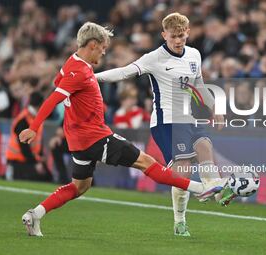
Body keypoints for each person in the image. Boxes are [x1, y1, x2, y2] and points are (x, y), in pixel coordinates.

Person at [20, 22, 226, 237]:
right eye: (102, 47)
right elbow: (55, 97)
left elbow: (58, 81)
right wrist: (34, 127)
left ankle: (35, 214)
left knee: (79, 187)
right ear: (92, 44)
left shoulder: (72, 63)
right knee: (147, 163)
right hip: (95, 137)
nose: (104, 51)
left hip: (78, 141)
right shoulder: (80, 71)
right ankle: (203, 189)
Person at [95, 13, 234, 237]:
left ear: (187, 32)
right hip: (165, 121)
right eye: (173, 37)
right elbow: (124, 72)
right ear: (164, 35)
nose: (178, 41)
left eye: (181, 36)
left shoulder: (194, 55)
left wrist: (215, 108)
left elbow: (199, 85)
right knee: (183, 172)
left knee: (205, 149)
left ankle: (216, 191)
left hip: (188, 118)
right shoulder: (154, 58)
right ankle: (180, 221)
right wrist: (93, 77)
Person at [6, 92, 52, 181]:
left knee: (48, 177)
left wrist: (40, 158)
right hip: (18, 161)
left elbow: (38, 141)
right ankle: (11, 173)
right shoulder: (23, 121)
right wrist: (36, 163)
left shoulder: (34, 118)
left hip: (30, 159)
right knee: (41, 177)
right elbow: (24, 147)